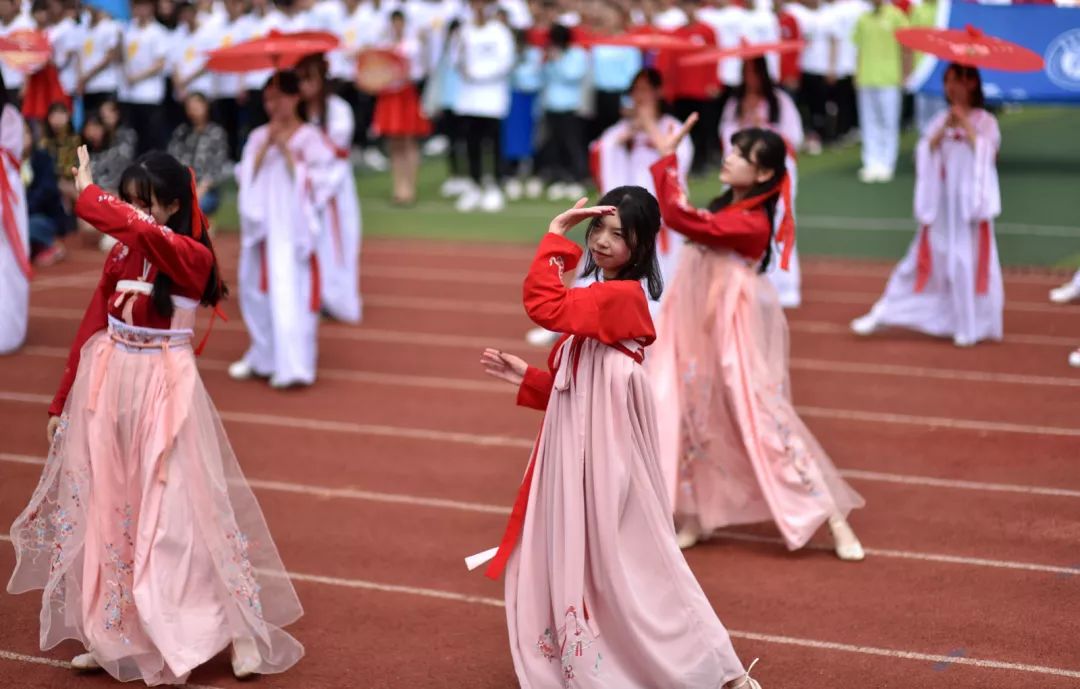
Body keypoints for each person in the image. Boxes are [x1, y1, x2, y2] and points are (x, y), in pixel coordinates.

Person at [7, 147, 305, 683]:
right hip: (113, 379)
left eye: (145, 204)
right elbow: (92, 322)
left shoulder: (191, 255)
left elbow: (145, 234)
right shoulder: (121, 255)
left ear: (172, 205)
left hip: (165, 387)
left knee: (181, 513)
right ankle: (114, 632)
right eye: (128, 203)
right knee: (113, 509)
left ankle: (233, 630)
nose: (135, 214)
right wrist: (61, 399)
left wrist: (92, 196)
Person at [474, 191, 763, 689]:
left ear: (641, 245)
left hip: (606, 459)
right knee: (606, 564)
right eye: (598, 231)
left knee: (636, 560)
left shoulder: (621, 298)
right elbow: (581, 394)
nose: (603, 243)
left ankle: (723, 672)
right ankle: (625, 665)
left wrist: (555, 232)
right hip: (583, 454)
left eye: (619, 235)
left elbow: (543, 304)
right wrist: (529, 378)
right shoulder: (598, 302)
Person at [646, 117, 865, 560]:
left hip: (733, 322)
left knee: (761, 415)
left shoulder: (752, 224)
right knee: (693, 408)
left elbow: (681, 218)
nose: (729, 158)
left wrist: (669, 162)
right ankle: (697, 513)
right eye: (732, 150)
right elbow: (690, 218)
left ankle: (832, 517)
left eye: (741, 155)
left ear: (763, 174)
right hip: (697, 318)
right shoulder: (730, 207)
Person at [851, 63, 1002, 348]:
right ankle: (885, 312)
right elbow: (923, 153)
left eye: (955, 81)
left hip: (969, 210)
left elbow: (989, 154)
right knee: (917, 262)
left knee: (965, 263)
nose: (950, 88)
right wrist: (940, 132)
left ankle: (969, 325)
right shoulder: (940, 119)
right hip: (942, 208)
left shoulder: (986, 121)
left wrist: (967, 128)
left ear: (970, 84)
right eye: (947, 82)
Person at [229, 71, 336, 388]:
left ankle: (294, 364)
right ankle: (262, 355)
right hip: (261, 227)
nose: (273, 105)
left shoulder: (310, 137)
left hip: (292, 230)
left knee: (290, 291)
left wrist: (288, 153)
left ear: (295, 97)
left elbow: (321, 182)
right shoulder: (259, 135)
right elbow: (244, 174)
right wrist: (265, 149)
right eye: (268, 99)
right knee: (254, 290)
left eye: (279, 98)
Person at [720, 56, 804, 308]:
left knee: (776, 221)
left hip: (773, 171)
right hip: (742, 172)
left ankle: (784, 284)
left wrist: (763, 129)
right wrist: (744, 126)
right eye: (746, 72)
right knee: (740, 222)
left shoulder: (780, 102)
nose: (750, 78)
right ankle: (742, 281)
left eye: (754, 72)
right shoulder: (735, 104)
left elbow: (794, 138)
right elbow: (724, 136)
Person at [297, 53, 363, 323]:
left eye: (310, 78)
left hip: (333, 187)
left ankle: (338, 299)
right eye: (300, 79)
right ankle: (312, 294)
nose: (305, 85)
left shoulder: (338, 109)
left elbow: (336, 151)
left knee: (337, 242)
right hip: (303, 185)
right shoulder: (296, 110)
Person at [453, 0, 515, 212]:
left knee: (494, 144)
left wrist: (479, 75)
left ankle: (495, 186)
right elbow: (455, 59)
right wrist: (460, 59)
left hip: (492, 98)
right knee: (471, 143)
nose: (477, 8)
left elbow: (505, 62)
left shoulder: (499, 31)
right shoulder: (463, 30)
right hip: (469, 99)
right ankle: (474, 185)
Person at [372, 10, 432, 207]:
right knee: (394, 142)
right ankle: (398, 187)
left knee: (409, 141)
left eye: (400, 23)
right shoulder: (384, 45)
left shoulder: (412, 45)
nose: (397, 26)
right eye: (394, 23)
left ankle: (410, 187)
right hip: (389, 95)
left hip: (405, 94)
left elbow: (419, 71)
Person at [851, 0, 908, 183]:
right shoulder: (863, 18)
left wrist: (905, 73)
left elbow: (905, 47)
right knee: (868, 122)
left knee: (888, 122)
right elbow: (858, 48)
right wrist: (857, 73)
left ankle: (886, 162)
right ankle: (871, 162)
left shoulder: (897, 16)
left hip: (889, 78)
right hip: (867, 77)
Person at [167, 92, 232, 220]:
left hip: (206, 189)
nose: (193, 109)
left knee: (195, 205)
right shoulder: (181, 132)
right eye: (190, 106)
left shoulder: (217, 133)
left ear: (206, 106)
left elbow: (219, 167)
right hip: (181, 187)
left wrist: (201, 189)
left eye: (197, 105)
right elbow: (171, 160)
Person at [0, 78, 30, 354]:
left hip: (5, 191)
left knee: (7, 260)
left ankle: (7, 329)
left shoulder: (9, 116)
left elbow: (8, 155)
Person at [119, 0, 170, 155]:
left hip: (150, 94)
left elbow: (160, 63)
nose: (140, 10)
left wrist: (137, 77)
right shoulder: (127, 29)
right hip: (129, 94)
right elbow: (122, 58)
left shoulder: (158, 31)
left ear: (151, 8)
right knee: (132, 138)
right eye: (137, 6)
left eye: (144, 6)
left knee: (151, 137)